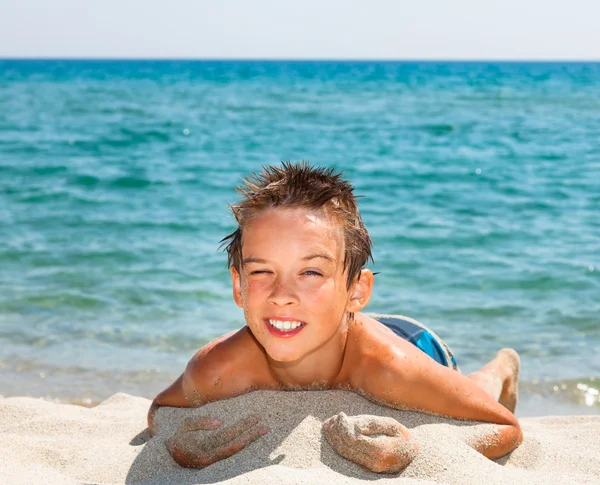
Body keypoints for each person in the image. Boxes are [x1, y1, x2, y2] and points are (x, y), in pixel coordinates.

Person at [148, 162, 522, 473]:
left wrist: (418, 448)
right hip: (331, 321)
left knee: (473, 388)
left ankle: (502, 367)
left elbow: (502, 426)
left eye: (310, 273)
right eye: (262, 272)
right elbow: (160, 410)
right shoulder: (219, 367)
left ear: (356, 289)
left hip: (413, 342)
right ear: (238, 286)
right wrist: (178, 440)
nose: (282, 296)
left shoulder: (391, 369)